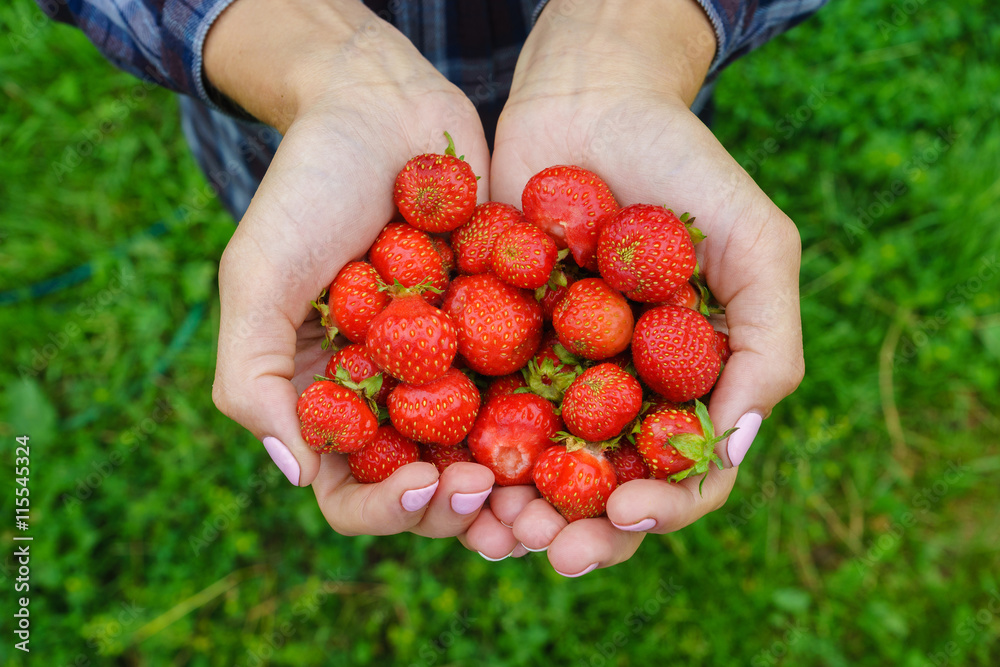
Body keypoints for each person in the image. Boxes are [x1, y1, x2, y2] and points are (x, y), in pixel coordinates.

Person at [40, 0, 821, 576]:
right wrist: (315, 61)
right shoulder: (403, 287)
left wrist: (628, 39)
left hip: (619, 92)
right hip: (308, 146)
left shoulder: (577, 294)